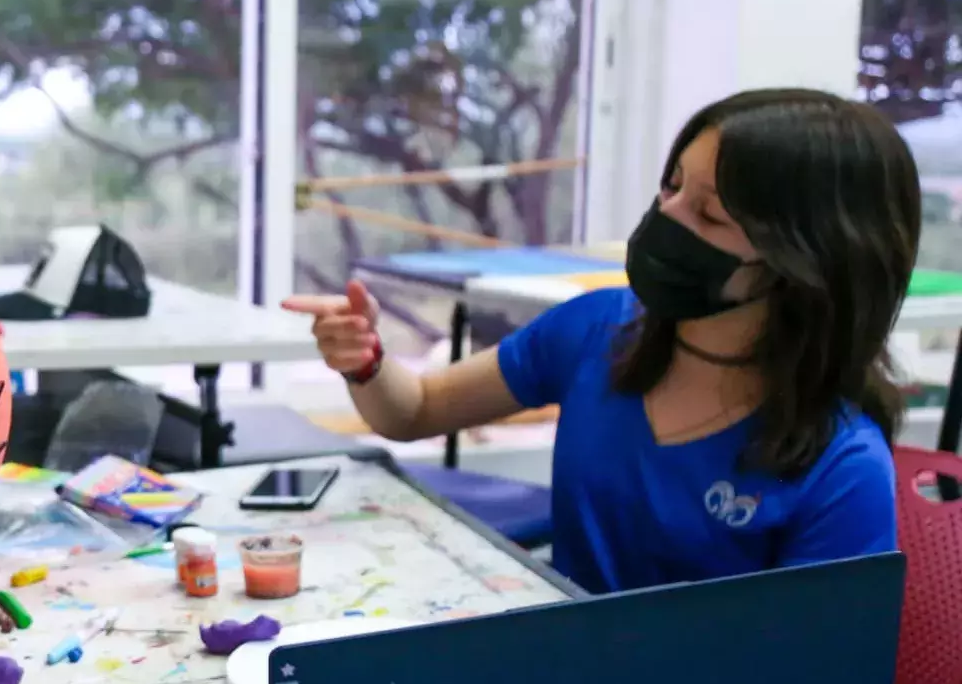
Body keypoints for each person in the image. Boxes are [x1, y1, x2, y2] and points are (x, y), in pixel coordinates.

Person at [285, 89, 919, 594]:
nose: (666, 217)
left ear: (803, 262)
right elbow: (417, 409)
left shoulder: (844, 470)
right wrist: (365, 362)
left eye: (710, 214)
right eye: (672, 187)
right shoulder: (600, 330)